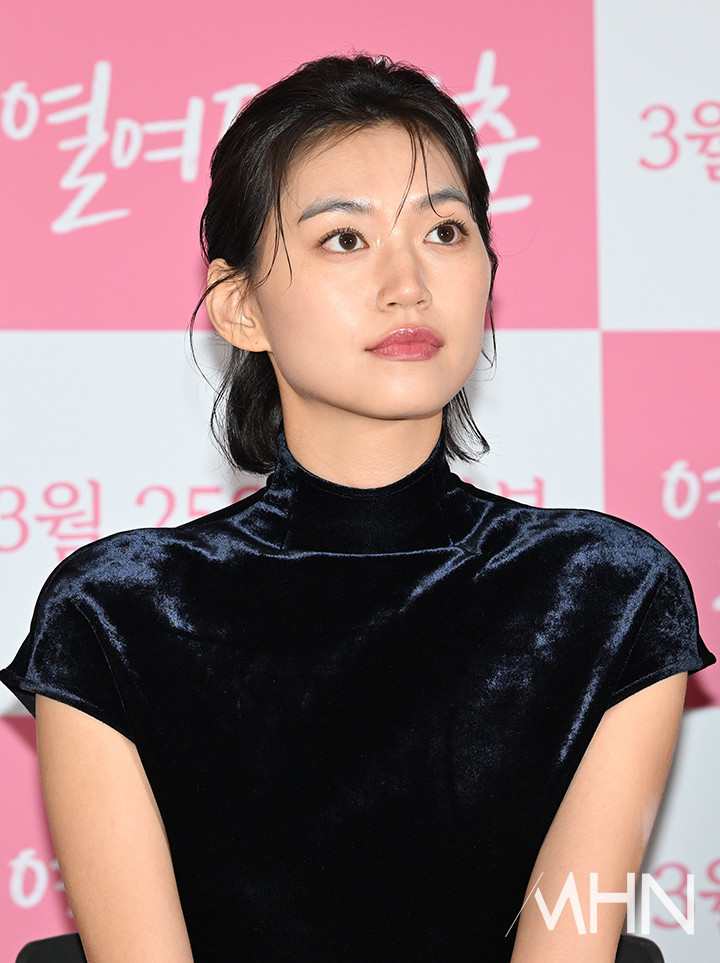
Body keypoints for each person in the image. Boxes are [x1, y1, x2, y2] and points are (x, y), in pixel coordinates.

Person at [1, 53, 715, 963]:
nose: (407, 281)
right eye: (345, 239)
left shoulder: (612, 593)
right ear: (240, 308)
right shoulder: (115, 612)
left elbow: (570, 942)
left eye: (445, 231)